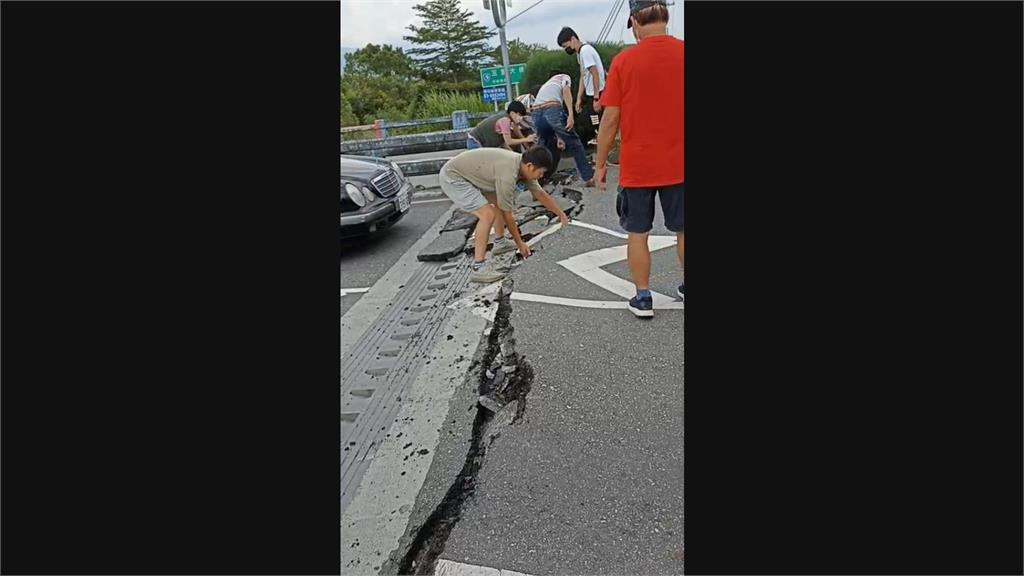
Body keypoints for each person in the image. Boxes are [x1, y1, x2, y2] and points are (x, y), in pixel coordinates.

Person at [595, 0, 684, 318]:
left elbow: (609, 120)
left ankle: (643, 297)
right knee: (684, 230)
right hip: (681, 163)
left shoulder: (623, 61)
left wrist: (601, 163)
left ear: (634, 21)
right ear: (666, 16)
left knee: (638, 233)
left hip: (638, 167)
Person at [438, 146, 569, 284]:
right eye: (541, 172)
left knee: (498, 204)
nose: (541, 176)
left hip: (476, 175)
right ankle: (479, 267)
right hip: (454, 177)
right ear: (530, 166)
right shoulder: (508, 174)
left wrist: (561, 215)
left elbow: (540, 193)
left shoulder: (523, 167)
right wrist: (520, 244)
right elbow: (508, 216)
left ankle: (500, 243)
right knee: (487, 214)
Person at [531, 71, 596, 187]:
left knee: (543, 148)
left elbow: (552, 124)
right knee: (575, 143)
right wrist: (571, 115)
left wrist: (560, 137)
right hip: (552, 108)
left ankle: (536, 184)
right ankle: (588, 177)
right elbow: (566, 91)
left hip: (536, 112)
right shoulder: (564, 77)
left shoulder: (547, 85)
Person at [557, 27, 606, 141]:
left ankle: (604, 151)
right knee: (594, 124)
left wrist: (596, 97)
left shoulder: (585, 51)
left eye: (566, 46)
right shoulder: (580, 53)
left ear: (573, 39)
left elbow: (595, 73)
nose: (566, 49)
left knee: (598, 124)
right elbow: (583, 76)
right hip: (590, 94)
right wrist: (579, 98)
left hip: (597, 93)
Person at [467, 101, 536, 152]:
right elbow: (509, 141)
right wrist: (527, 139)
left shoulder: (510, 120)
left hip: (479, 142)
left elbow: (508, 140)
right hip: (475, 142)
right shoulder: (505, 120)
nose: (521, 118)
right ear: (512, 113)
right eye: (519, 115)